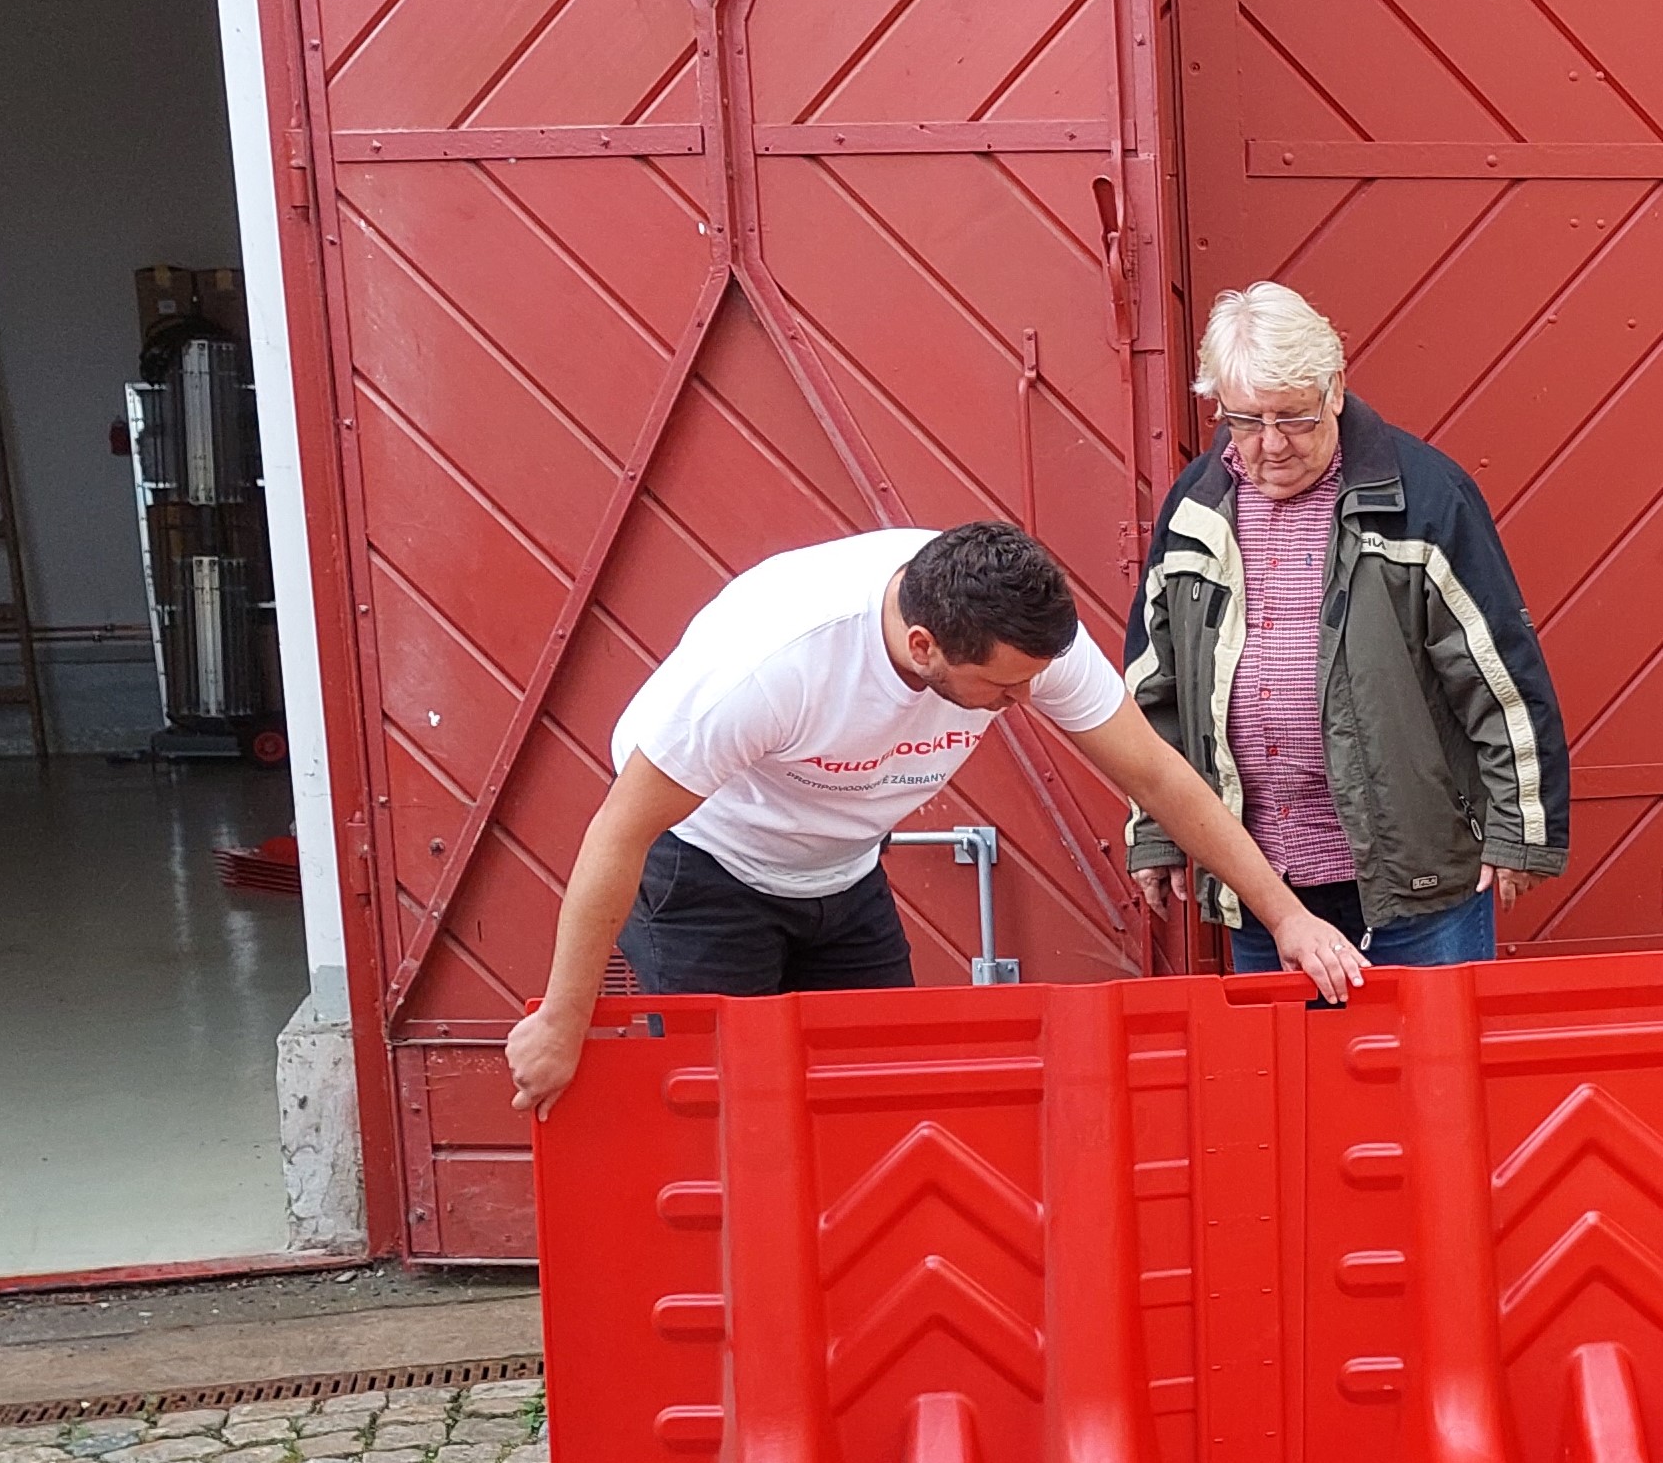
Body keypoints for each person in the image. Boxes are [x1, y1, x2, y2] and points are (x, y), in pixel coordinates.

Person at [502, 521, 1369, 1116]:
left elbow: (1159, 774)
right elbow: (619, 830)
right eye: (1001, 688)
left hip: (843, 874)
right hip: (706, 871)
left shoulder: (1021, 638)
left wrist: (1287, 915)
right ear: (924, 648)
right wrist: (563, 1020)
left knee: (879, 1099)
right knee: (726, 1113)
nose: (1027, 701)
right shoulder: (773, 665)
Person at [1123, 282, 1567, 969]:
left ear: (1334, 389)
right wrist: (1155, 831)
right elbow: (1155, 689)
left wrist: (1522, 831)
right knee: (1288, 1076)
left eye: (1292, 417)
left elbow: (1497, 673)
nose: (1270, 444)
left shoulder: (1422, 496)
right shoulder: (1196, 504)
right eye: (1245, 419)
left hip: (1415, 881)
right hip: (1259, 883)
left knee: (1431, 1072)